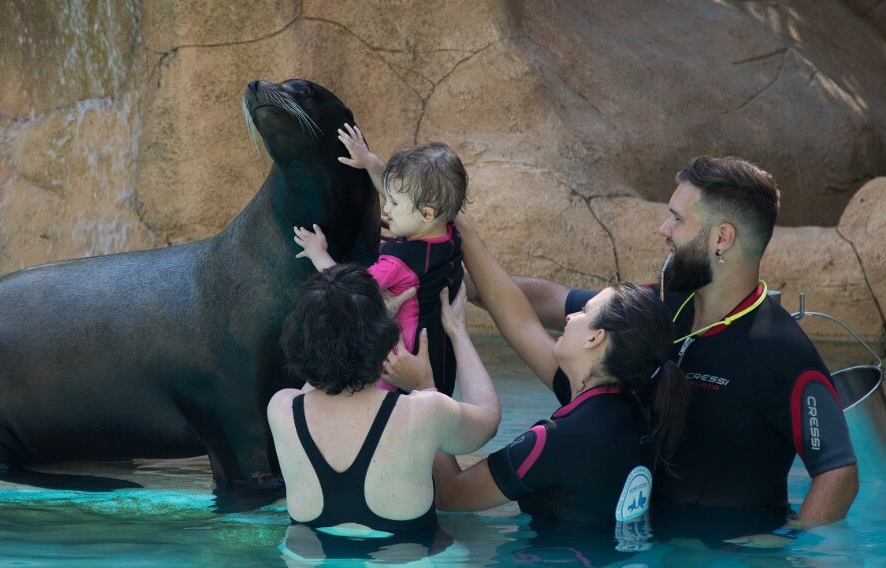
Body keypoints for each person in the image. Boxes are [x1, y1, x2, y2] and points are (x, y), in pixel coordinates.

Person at [471, 156, 859, 545]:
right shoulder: (663, 306)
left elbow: (838, 471)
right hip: (636, 540)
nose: (664, 229)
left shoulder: (779, 349)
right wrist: (455, 282)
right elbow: (553, 301)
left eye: (677, 218)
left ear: (721, 238)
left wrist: (785, 543)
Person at [386, 213, 689, 524]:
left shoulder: (556, 440)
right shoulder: (632, 409)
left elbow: (451, 495)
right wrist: (455, 230)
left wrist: (424, 390)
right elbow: (521, 323)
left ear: (596, 338)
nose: (570, 317)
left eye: (584, 311)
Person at [266, 264, 499, 537]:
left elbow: (316, 375)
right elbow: (488, 418)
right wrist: (456, 336)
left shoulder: (282, 408)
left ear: (296, 338)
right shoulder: (424, 412)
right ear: (383, 337)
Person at [293, 124, 466, 395]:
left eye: (395, 204)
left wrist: (318, 252)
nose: (386, 208)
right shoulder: (448, 234)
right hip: (438, 363)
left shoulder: (398, 263)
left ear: (427, 214)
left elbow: (347, 289)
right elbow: (409, 198)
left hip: (399, 368)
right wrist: (370, 162)